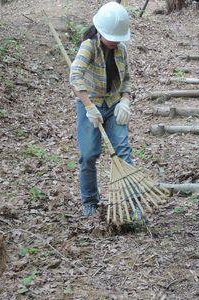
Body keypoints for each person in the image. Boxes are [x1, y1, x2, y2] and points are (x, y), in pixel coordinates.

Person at [69, 2, 134, 217]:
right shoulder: (89, 46)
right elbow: (75, 76)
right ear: (101, 30)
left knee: (123, 151)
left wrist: (125, 101)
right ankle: (90, 201)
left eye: (118, 38)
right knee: (88, 155)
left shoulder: (121, 50)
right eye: (112, 37)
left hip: (114, 104)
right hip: (91, 104)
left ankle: (132, 203)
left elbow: (126, 80)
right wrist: (89, 107)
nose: (116, 41)